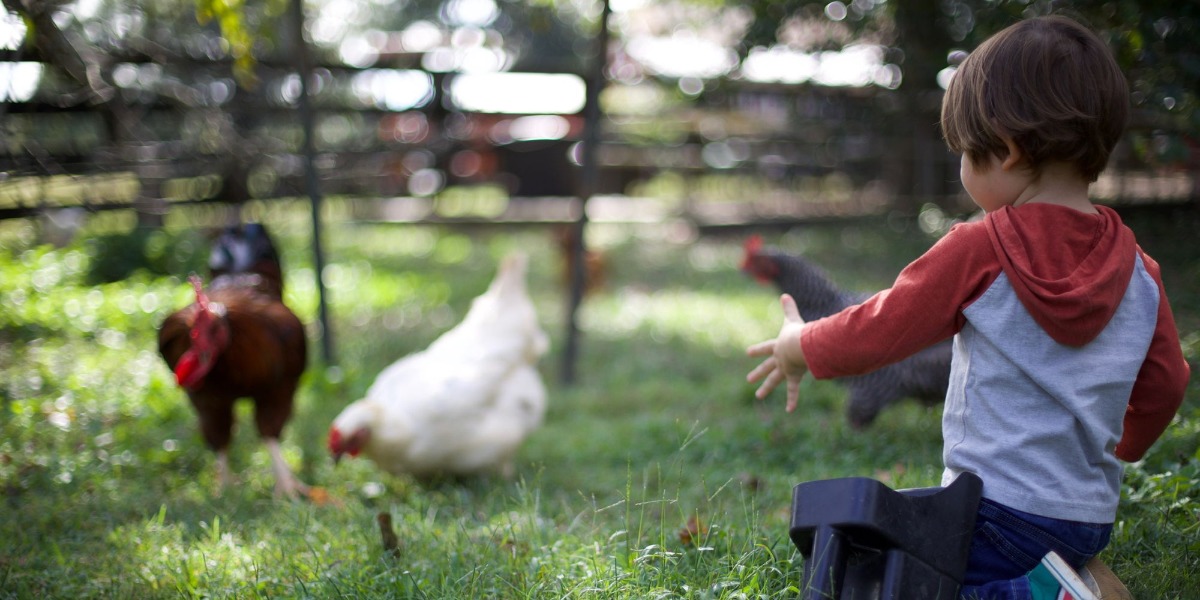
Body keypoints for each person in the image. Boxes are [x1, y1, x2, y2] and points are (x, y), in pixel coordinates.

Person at [745, 15, 1190, 600]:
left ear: (1004, 152)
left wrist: (798, 345)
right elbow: (1165, 386)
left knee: (907, 589)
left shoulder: (980, 248)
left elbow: (881, 329)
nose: (960, 167)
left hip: (997, 516)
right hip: (1087, 516)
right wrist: (1125, 447)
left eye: (964, 153)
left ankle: (1055, 595)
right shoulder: (1142, 272)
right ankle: (1073, 574)